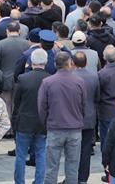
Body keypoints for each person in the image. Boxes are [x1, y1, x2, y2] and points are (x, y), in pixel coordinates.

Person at [38, 52, 85, 184]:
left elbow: (42, 106)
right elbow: (83, 104)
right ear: (69, 64)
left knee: (51, 168)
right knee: (72, 168)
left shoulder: (47, 82)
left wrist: (46, 122)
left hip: (54, 128)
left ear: (55, 64)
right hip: (74, 128)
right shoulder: (79, 81)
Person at [12, 49, 51, 184]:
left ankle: (19, 182)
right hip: (42, 122)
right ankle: (39, 181)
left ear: (31, 62)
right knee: (41, 154)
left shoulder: (23, 78)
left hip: (25, 121)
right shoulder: (50, 79)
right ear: (46, 62)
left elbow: (17, 101)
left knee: (21, 155)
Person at [71, 51, 99, 184]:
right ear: (87, 63)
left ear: (72, 63)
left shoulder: (71, 77)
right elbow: (97, 97)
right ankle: (83, 179)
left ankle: (72, 177)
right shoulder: (94, 77)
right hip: (88, 118)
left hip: (73, 119)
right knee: (85, 150)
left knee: (72, 151)